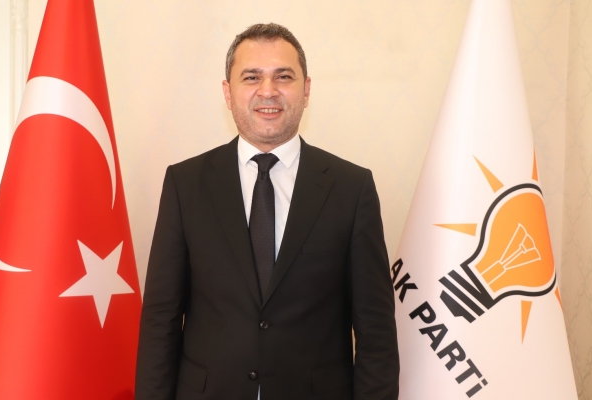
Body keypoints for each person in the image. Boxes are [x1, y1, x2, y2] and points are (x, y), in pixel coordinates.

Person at [135, 23, 399, 400]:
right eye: (252, 77)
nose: (268, 90)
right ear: (228, 93)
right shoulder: (185, 184)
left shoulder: (352, 188)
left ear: (306, 90)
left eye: (284, 76)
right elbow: (160, 319)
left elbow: (376, 333)